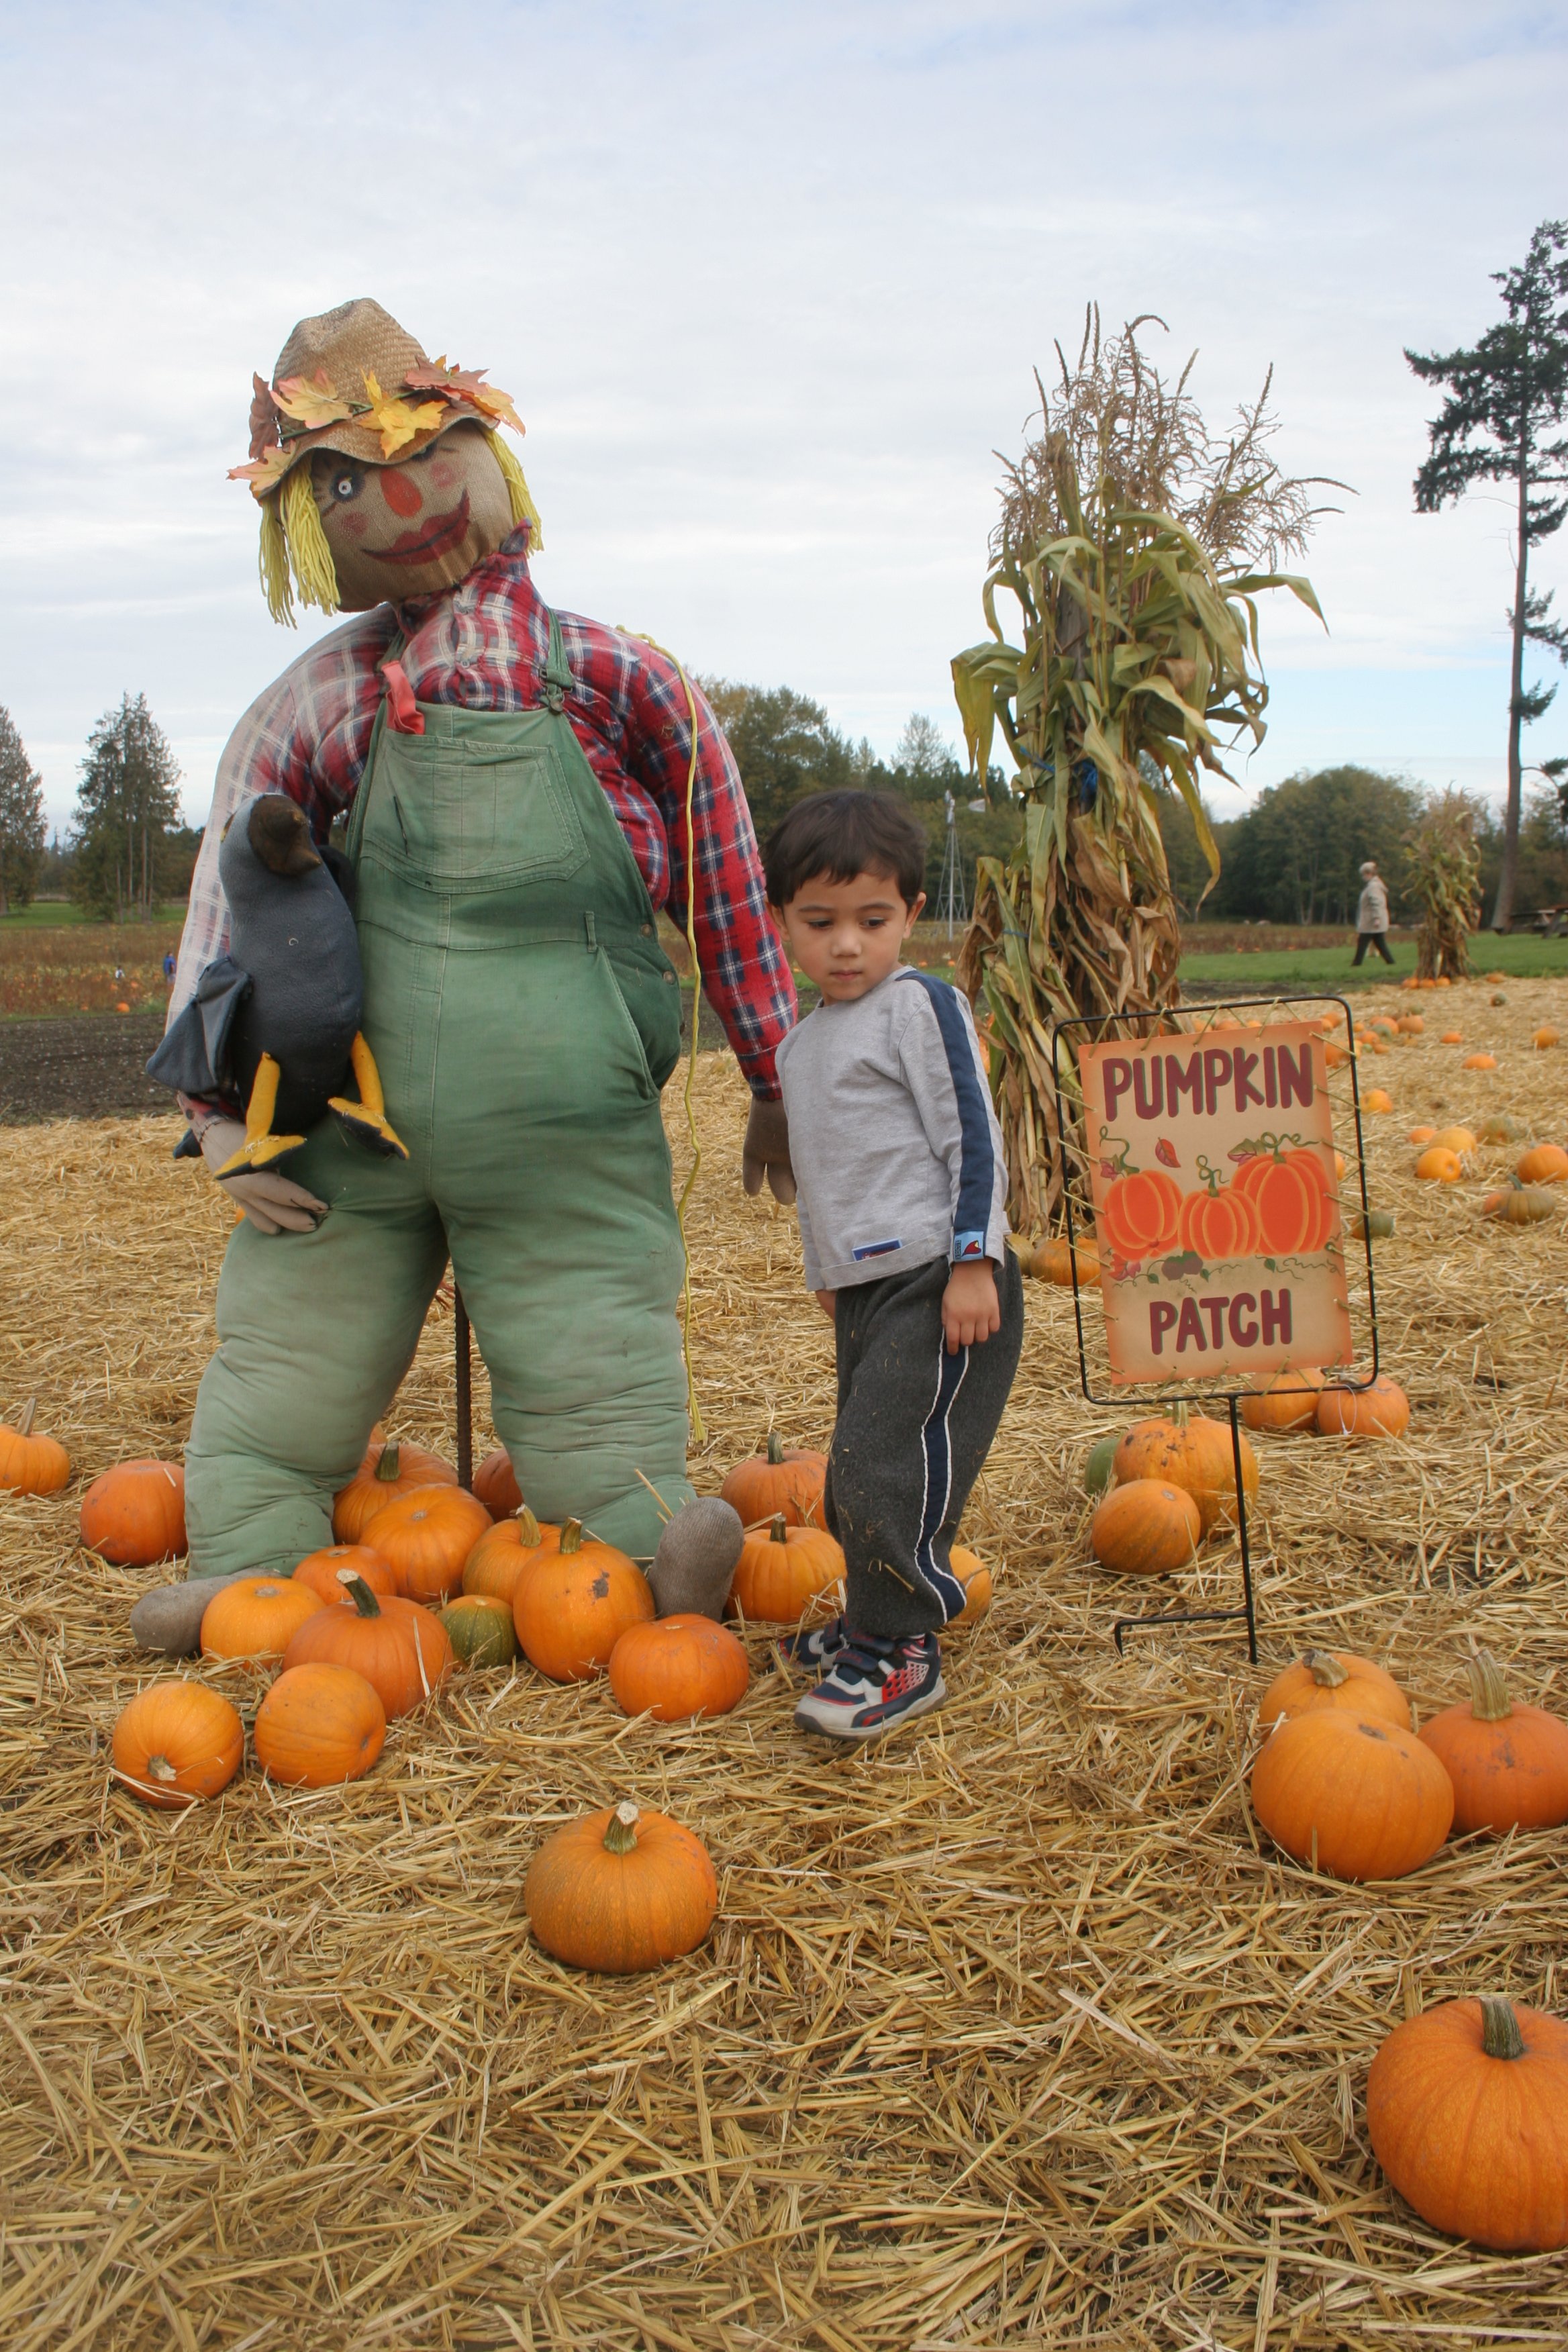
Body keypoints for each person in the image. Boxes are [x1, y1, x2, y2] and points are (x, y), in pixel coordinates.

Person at [159, 298, 796, 1577]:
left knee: (593, 1348)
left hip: (562, 1123)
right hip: (350, 1122)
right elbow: (230, 891)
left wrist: (779, 1070)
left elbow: (724, 870)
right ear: (303, 521)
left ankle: (632, 1568)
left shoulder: (620, 678)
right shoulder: (319, 700)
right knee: (293, 1355)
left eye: (426, 451)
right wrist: (218, 1110)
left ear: (487, 449)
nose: (399, 500)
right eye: (347, 481)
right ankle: (241, 1581)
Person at [764, 789, 1024, 1741]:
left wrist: (973, 1261)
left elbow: (972, 1139)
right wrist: (825, 1272)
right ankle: (873, 1620)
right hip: (869, 1289)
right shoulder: (800, 1046)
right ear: (782, 922)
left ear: (911, 915)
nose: (846, 946)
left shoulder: (920, 1006)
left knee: (887, 1467)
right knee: (853, 1472)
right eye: (820, 923)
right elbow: (833, 1173)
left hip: (940, 1277)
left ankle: (905, 1651)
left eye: (872, 922)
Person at [1352, 861, 1394, 965]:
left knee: (1362, 942)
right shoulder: (1375, 885)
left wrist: (1376, 918)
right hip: (1372, 920)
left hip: (1371, 920)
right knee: (1379, 943)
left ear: (1369, 874)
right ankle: (1390, 962)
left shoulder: (1373, 887)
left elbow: (1376, 903)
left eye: (1364, 875)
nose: (1363, 877)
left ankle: (1357, 963)